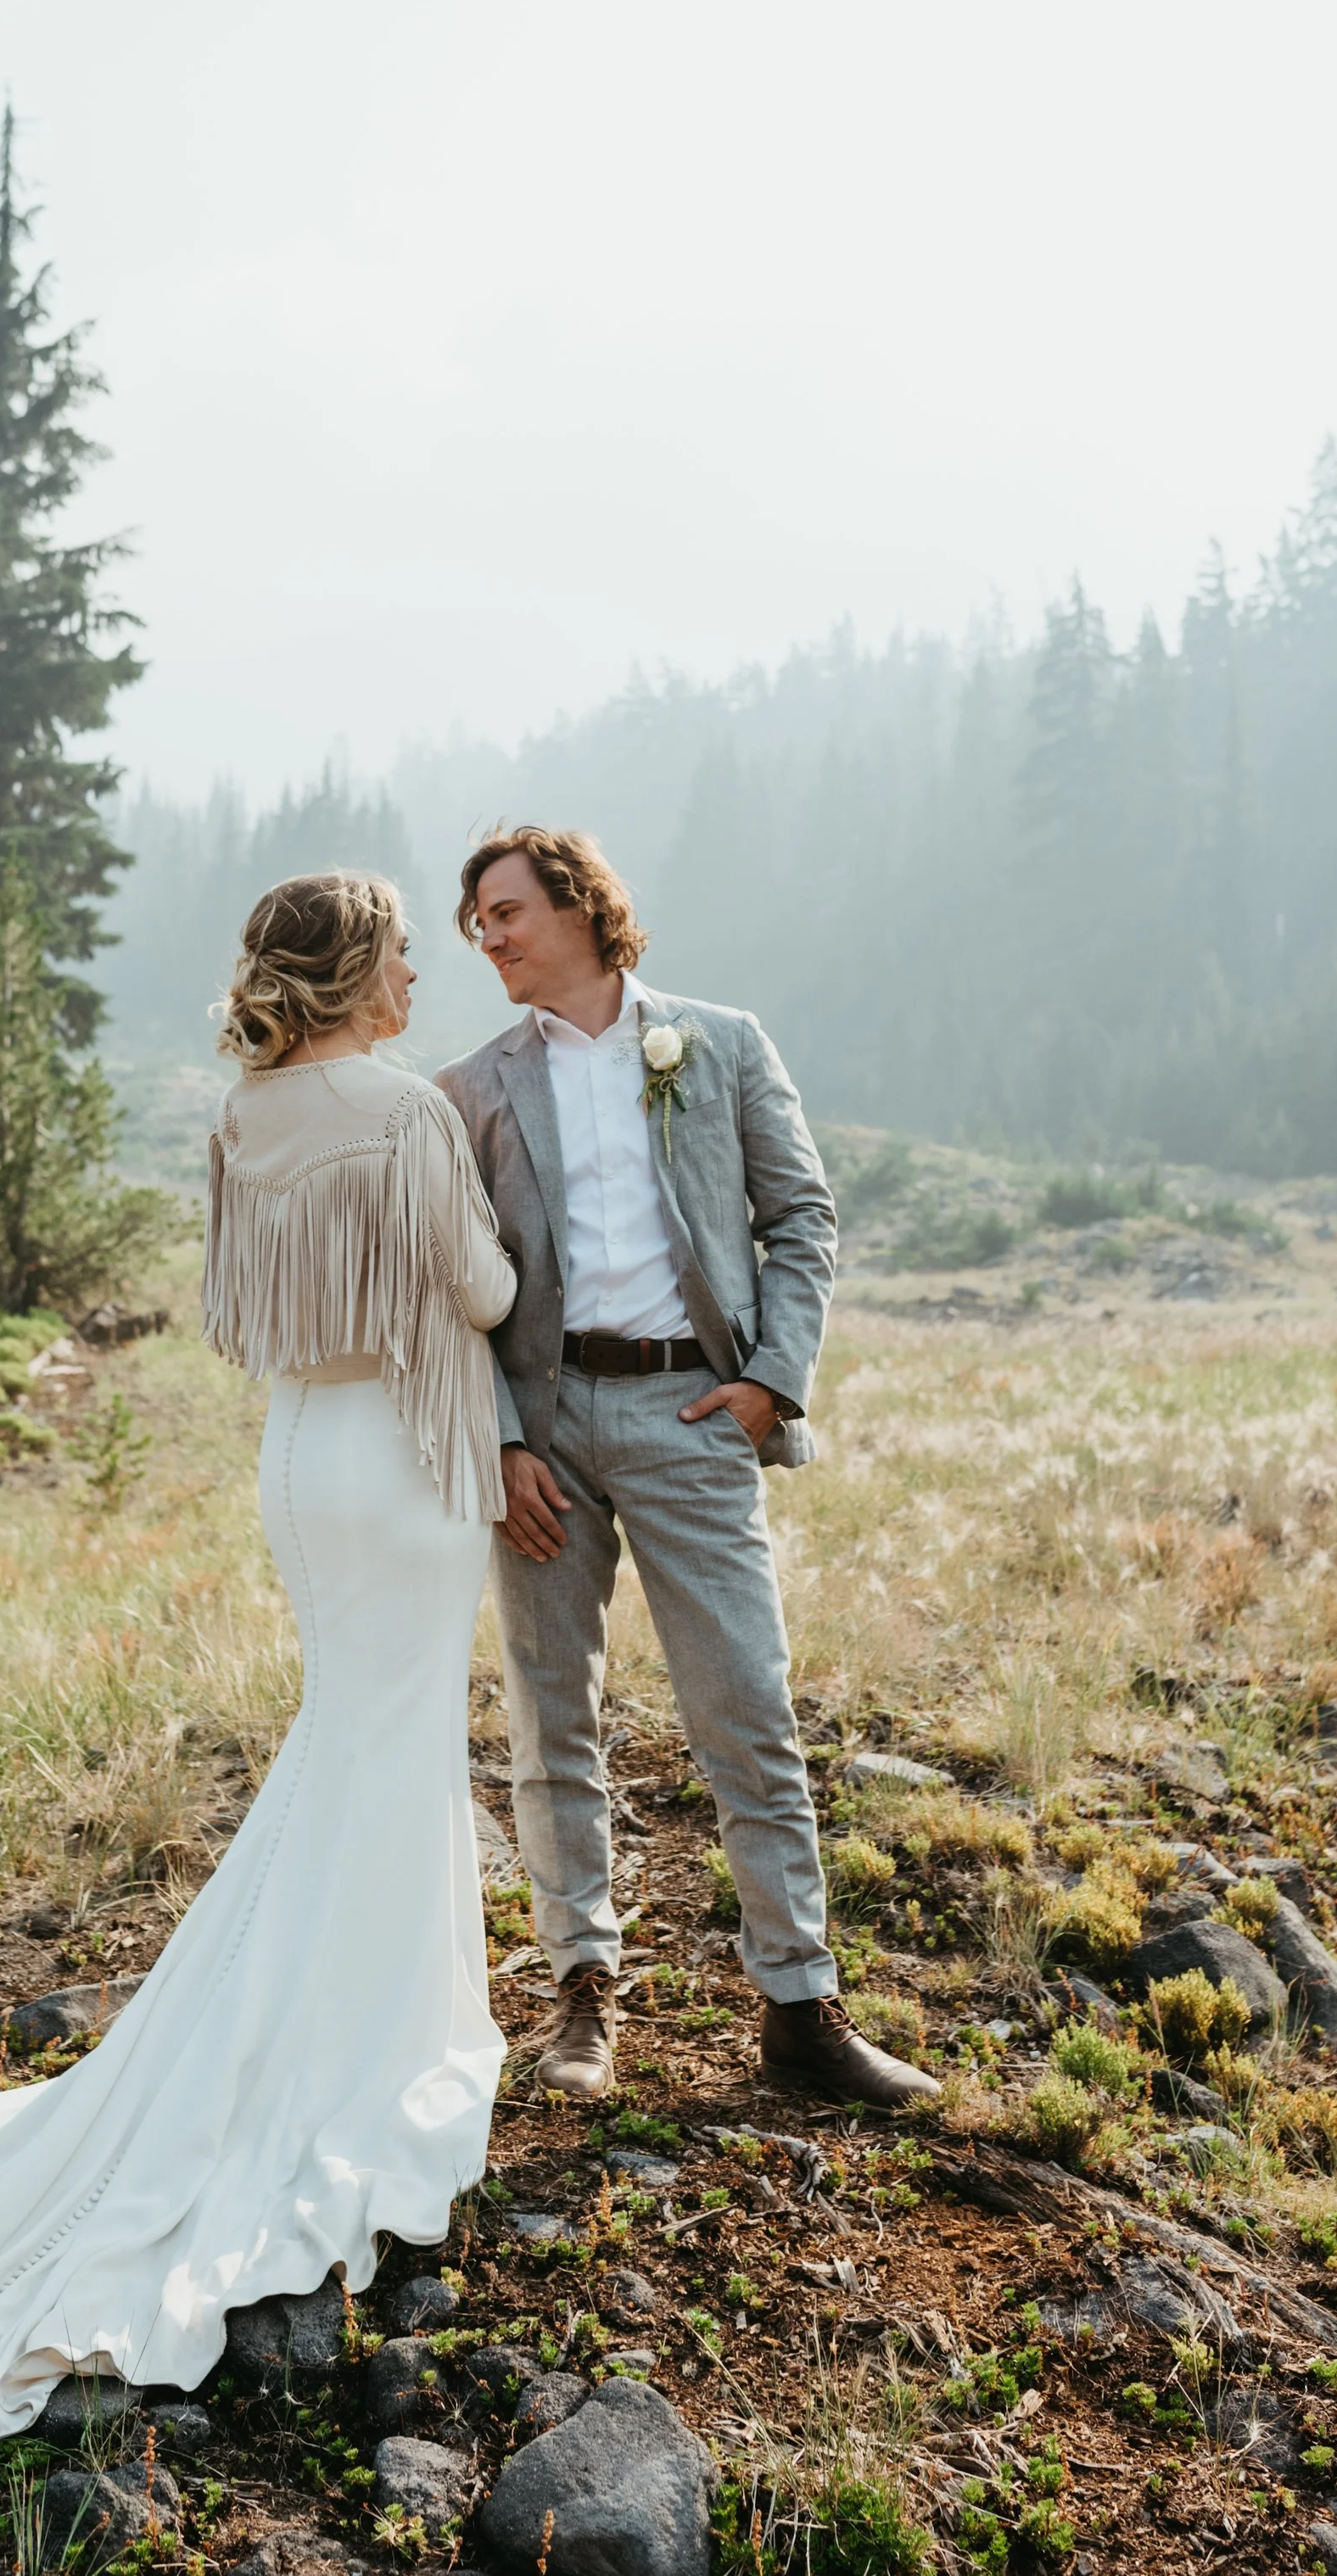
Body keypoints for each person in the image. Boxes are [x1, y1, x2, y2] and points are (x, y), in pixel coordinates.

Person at [0, 874, 515, 2451]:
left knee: (352, 1741)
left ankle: (339, 2026)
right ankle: (364, 2057)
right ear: (361, 968)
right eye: (406, 949)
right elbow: (482, 1293)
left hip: (302, 1457)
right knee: (391, 1748)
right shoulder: (411, 1112)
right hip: (406, 1463)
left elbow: (245, 1313)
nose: (429, 969)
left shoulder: (248, 1114)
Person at [438, 825, 935, 2112]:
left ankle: (803, 2008)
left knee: (746, 1708)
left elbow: (803, 1217)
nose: (484, 937)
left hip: (695, 1415)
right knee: (554, 1716)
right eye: (474, 921)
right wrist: (497, 1438)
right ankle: (582, 1991)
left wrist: (772, 1380)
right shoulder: (473, 1087)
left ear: (583, 908)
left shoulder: (720, 1043)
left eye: (503, 911)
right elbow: (452, 1290)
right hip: (541, 1438)